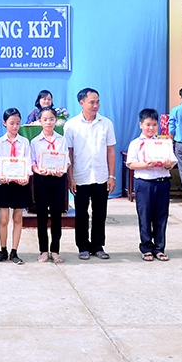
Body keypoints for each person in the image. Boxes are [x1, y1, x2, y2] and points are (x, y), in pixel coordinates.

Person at [64, 87, 116, 261]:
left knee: (100, 213)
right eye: (91, 102)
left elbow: (110, 150)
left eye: (97, 102)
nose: (96, 105)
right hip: (80, 176)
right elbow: (69, 154)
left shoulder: (106, 123)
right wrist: (71, 178)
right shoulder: (71, 125)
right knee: (81, 214)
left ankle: (98, 246)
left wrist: (111, 176)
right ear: (82, 103)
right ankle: (83, 246)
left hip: (101, 176)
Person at [125, 108, 177, 261]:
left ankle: (159, 248)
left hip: (162, 182)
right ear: (141, 124)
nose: (151, 128)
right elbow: (131, 164)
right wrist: (146, 164)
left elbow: (172, 163)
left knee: (161, 216)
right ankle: (146, 248)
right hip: (145, 183)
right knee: (145, 216)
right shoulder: (136, 143)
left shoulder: (164, 142)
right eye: (148, 124)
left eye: (154, 125)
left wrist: (168, 164)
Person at [29, 106, 70, 263]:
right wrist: (38, 170)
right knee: (41, 215)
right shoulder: (35, 142)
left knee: (56, 215)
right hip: (41, 180)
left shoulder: (62, 140)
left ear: (56, 121)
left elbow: (66, 161)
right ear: (40, 121)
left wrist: (62, 170)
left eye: (51, 119)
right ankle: (43, 250)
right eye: (45, 119)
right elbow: (32, 163)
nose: (48, 122)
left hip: (58, 180)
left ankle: (55, 250)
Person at [0, 108, 32, 265]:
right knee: (4, 219)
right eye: (11, 123)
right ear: (4, 123)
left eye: (17, 123)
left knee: (17, 218)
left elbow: (28, 162)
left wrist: (26, 178)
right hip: (5, 184)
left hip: (20, 184)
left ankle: (14, 251)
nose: (15, 126)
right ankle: (3, 250)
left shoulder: (24, 142)